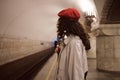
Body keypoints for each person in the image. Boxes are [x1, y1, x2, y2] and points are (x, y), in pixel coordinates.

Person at [56, 8, 91, 80]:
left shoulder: (74, 43)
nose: (59, 25)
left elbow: (76, 74)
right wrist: (60, 51)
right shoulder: (70, 41)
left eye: (61, 22)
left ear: (66, 24)